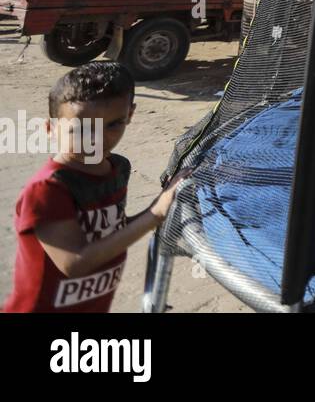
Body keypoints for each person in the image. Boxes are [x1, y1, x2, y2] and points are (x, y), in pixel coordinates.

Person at [4, 63, 187, 313]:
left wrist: (165, 203)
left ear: (130, 115)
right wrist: (155, 213)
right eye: (81, 129)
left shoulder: (117, 169)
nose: (96, 139)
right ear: (51, 128)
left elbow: (115, 230)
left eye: (113, 125)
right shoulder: (48, 188)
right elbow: (76, 262)